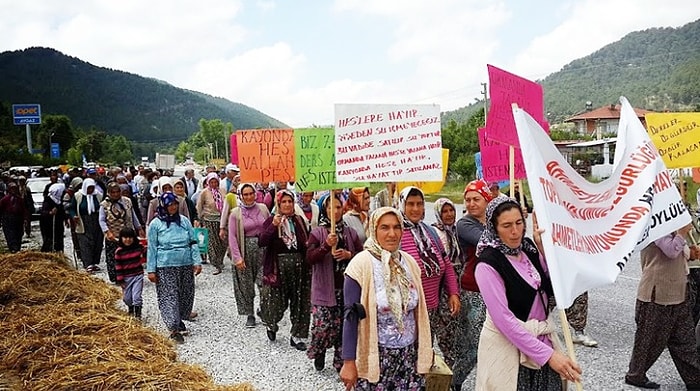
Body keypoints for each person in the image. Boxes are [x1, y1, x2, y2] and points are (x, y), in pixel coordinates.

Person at [474, 197, 581, 390]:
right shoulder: (487, 264)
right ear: (494, 228)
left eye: (518, 223)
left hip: (543, 340)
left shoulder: (528, 248)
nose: (515, 231)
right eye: (506, 225)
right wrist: (548, 356)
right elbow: (503, 320)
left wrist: (542, 248)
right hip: (510, 349)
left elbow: (553, 285)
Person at [340, 207, 432, 390]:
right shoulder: (360, 265)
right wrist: (348, 361)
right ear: (374, 230)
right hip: (377, 355)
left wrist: (425, 349)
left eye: (397, 227)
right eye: (384, 227)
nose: (392, 234)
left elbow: (419, 313)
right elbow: (350, 316)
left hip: (408, 356)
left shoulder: (409, 263)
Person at [625, 224, 700, 390]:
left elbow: (679, 251)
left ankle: (695, 379)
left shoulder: (674, 219)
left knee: (685, 341)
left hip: (679, 292)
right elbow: (670, 250)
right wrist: (681, 233)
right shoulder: (657, 222)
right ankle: (635, 374)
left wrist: (690, 253)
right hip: (657, 292)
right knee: (649, 339)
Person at [398, 187, 460, 365]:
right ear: (402, 205)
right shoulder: (397, 233)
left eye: (419, 204)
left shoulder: (429, 232)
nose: (416, 209)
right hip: (409, 312)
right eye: (410, 204)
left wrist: (453, 293)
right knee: (411, 355)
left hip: (432, 307)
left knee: (426, 350)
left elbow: (446, 263)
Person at [306, 194, 363, 372]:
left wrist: (349, 255)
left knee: (344, 326)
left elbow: (363, 258)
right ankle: (320, 350)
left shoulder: (350, 233)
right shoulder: (317, 233)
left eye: (338, 207)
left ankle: (341, 362)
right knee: (322, 326)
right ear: (325, 209)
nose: (335, 211)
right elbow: (309, 258)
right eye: (331, 207)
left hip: (346, 289)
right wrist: (325, 246)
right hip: (324, 289)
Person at [453, 179, 493, 389]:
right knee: (474, 343)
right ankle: (454, 381)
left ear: (487, 200)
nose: (471, 204)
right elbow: (489, 242)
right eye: (467, 200)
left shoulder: (494, 221)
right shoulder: (465, 224)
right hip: (474, 289)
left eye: (476, 199)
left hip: (496, 290)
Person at [147, 192, 202, 343]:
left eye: (175, 204)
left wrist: (196, 261)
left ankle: (179, 319)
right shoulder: (156, 224)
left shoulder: (184, 221)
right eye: (170, 204)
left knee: (185, 293)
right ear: (164, 206)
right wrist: (151, 270)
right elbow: (152, 248)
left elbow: (193, 241)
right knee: (169, 296)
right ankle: (173, 328)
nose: (173, 207)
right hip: (165, 265)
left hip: (185, 263)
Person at [258, 189, 310, 350]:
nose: (287, 205)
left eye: (290, 201)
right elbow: (262, 241)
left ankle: (297, 335)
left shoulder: (299, 221)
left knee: (300, 302)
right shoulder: (271, 221)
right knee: (274, 302)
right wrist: (273, 227)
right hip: (277, 267)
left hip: (298, 267)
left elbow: (306, 243)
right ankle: (271, 324)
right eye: (284, 202)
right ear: (278, 204)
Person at [227, 183, 270, 328]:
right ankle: (250, 313)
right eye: (245, 194)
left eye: (251, 193)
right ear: (241, 196)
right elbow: (232, 237)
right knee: (246, 285)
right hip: (245, 251)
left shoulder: (263, 208)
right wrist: (237, 258)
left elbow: (270, 227)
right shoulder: (235, 213)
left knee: (265, 283)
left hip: (263, 250)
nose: (249, 197)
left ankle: (264, 310)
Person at [431, 197, 466, 369]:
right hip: (444, 284)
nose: (449, 214)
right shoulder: (436, 233)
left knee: (458, 325)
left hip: (458, 283)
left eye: (451, 210)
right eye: (444, 211)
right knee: (446, 326)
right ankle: (449, 364)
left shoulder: (456, 231)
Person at [100, 182, 145, 284]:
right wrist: (107, 231)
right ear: (109, 193)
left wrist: (139, 228)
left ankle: (131, 274)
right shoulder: (104, 204)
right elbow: (101, 220)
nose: (115, 194)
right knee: (114, 257)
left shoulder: (127, 201)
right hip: (114, 235)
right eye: (113, 192)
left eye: (117, 192)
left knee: (130, 255)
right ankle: (116, 277)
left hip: (129, 234)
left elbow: (133, 216)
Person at [69, 178, 104, 272]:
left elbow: (102, 207)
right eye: (89, 188)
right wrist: (74, 216)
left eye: (92, 188)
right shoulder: (78, 196)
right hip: (83, 221)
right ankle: (87, 263)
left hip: (96, 221)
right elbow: (72, 208)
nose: (90, 190)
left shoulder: (98, 196)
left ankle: (94, 262)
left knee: (97, 242)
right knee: (85, 243)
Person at [196, 172, 227, 275]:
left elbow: (226, 204)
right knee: (212, 243)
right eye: (211, 182)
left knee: (223, 242)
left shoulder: (222, 191)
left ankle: (220, 260)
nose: (214, 184)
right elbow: (199, 206)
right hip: (209, 220)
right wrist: (200, 219)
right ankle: (216, 264)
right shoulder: (204, 192)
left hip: (221, 219)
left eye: (215, 182)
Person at [114, 227, 146, 319]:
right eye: (125, 238)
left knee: (137, 296)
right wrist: (120, 280)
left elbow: (146, 252)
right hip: (126, 277)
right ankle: (130, 307)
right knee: (127, 298)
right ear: (121, 238)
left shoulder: (138, 247)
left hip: (137, 275)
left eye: (130, 237)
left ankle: (138, 314)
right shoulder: (119, 251)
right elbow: (118, 266)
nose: (128, 240)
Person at [0, 182, 28, 252]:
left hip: (18, 218)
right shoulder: (4, 200)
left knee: (19, 233)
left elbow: (24, 210)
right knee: (10, 234)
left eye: (15, 189)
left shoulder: (19, 199)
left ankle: (17, 247)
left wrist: (25, 219)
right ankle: (13, 248)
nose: (13, 190)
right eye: (12, 189)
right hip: (8, 219)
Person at [39, 182, 66, 252]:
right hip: (48, 225)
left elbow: (62, 211)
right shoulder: (48, 200)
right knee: (49, 241)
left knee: (58, 240)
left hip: (58, 224)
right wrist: (50, 213)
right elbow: (43, 212)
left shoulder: (59, 200)